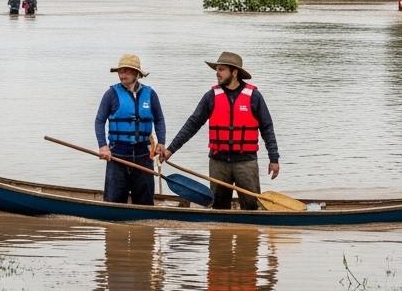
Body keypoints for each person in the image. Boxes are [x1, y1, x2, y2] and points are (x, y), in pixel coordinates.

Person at [161, 51, 280, 210]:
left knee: (251, 206)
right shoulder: (211, 96)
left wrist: (274, 159)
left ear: (235, 72)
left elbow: (267, 128)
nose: (217, 73)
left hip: (246, 162)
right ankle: (219, 235)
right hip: (218, 162)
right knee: (219, 207)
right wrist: (170, 149)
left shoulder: (254, 97)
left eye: (221, 69)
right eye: (217, 69)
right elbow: (192, 124)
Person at [95, 53, 167, 205]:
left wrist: (161, 142)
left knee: (145, 204)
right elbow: (99, 121)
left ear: (136, 73)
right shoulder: (111, 94)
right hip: (117, 157)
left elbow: (159, 119)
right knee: (114, 203)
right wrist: (103, 146)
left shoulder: (150, 94)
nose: (122, 75)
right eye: (120, 71)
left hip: (143, 157)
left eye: (126, 71)